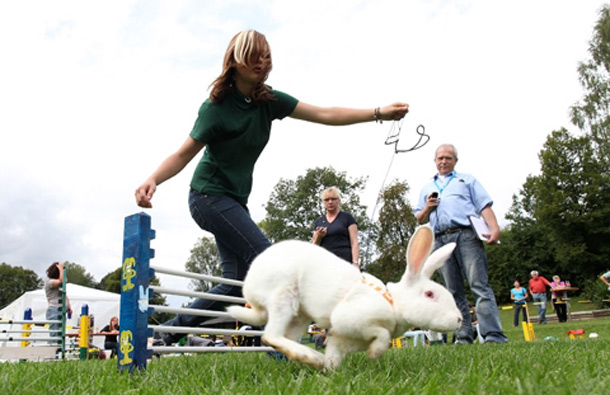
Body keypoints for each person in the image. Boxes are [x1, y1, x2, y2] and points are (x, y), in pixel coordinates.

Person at [135, 29, 409, 346]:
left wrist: (378, 113)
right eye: (254, 55)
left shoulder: (268, 101)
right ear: (235, 60)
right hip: (207, 196)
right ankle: (282, 341)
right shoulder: (216, 109)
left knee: (236, 282)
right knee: (270, 261)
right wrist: (153, 178)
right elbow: (183, 153)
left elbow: (323, 113)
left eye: (266, 57)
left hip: (235, 202)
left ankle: (164, 333)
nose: (262, 62)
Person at [414, 143, 507, 344]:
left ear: (455, 161)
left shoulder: (467, 180)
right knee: (453, 290)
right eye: (440, 158)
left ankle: (493, 335)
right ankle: (463, 335)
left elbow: (484, 205)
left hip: (466, 236)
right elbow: (420, 219)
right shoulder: (427, 187)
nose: (444, 161)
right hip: (440, 239)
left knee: (478, 284)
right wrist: (428, 208)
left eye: (448, 158)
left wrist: (494, 229)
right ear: (434, 161)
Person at [312, 186, 359, 268]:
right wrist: (319, 237)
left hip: (344, 261)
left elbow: (354, 242)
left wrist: (355, 263)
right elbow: (314, 247)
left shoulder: (347, 218)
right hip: (325, 263)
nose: (330, 202)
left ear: (339, 201)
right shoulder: (319, 222)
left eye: (333, 199)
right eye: (327, 200)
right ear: (323, 202)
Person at [44, 262, 72, 341]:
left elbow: (64, 294)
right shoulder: (49, 282)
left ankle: (59, 352)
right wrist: (60, 269)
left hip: (61, 310)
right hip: (54, 310)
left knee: (60, 336)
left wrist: (68, 306)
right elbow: (62, 281)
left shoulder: (59, 283)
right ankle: (53, 352)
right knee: (55, 336)